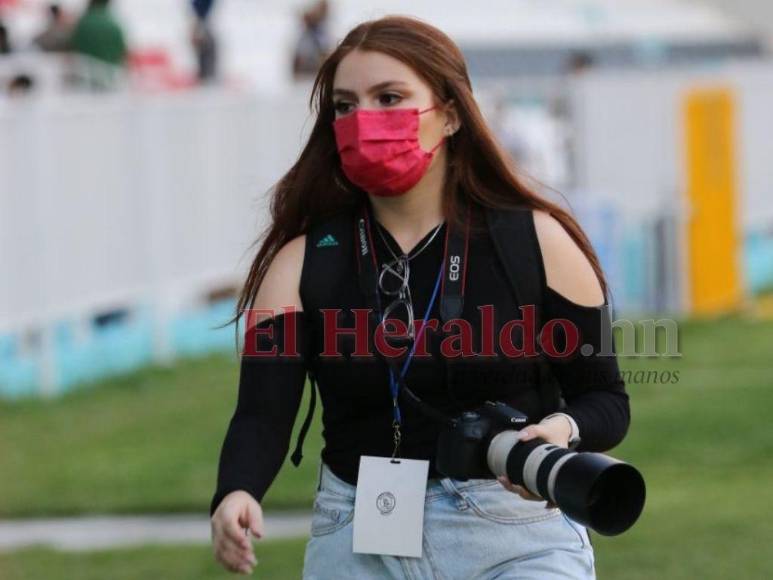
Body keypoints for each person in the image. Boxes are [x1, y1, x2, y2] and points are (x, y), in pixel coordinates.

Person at [210, 15, 629, 579]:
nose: (364, 121)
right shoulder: (301, 262)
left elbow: (605, 398)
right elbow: (262, 414)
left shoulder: (537, 241)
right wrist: (236, 491)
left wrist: (562, 430)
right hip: (356, 533)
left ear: (451, 113)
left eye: (390, 98)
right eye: (344, 106)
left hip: (515, 535)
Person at [68, 0, 127, 67]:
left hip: (84, 71)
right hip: (110, 72)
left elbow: (72, 47)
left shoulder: (82, 23)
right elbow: (122, 54)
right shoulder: (114, 26)